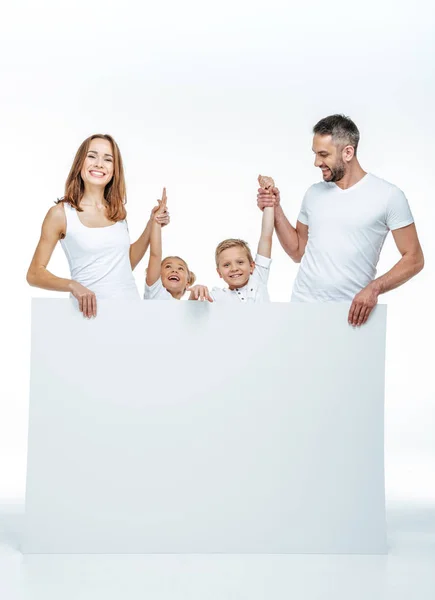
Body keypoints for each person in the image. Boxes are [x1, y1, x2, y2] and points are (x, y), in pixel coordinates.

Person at [257, 115, 424, 325]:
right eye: (315, 154)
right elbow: (298, 251)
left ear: (348, 152)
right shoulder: (314, 194)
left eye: (323, 154)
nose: (316, 162)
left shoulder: (388, 196)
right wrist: (275, 206)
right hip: (302, 307)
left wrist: (375, 288)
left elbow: (414, 258)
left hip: (352, 314)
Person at [26, 134, 169, 318]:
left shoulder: (117, 212)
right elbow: (34, 274)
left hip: (130, 311)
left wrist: (152, 222)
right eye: (92, 156)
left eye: (108, 159)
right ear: (80, 162)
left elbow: (124, 263)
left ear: (114, 169)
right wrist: (72, 285)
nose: (99, 164)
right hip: (88, 316)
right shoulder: (61, 214)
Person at [144, 189, 211, 301]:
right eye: (168, 266)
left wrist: (197, 292)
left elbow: (188, 315)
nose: (174, 270)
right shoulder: (155, 292)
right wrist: (157, 221)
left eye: (180, 268)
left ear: (187, 283)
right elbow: (155, 254)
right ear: (158, 276)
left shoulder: (186, 308)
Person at [211, 200, 274, 303]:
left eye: (240, 262)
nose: (234, 268)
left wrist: (269, 201)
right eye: (226, 265)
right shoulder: (217, 296)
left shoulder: (258, 278)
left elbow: (266, 236)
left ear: (252, 266)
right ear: (219, 272)